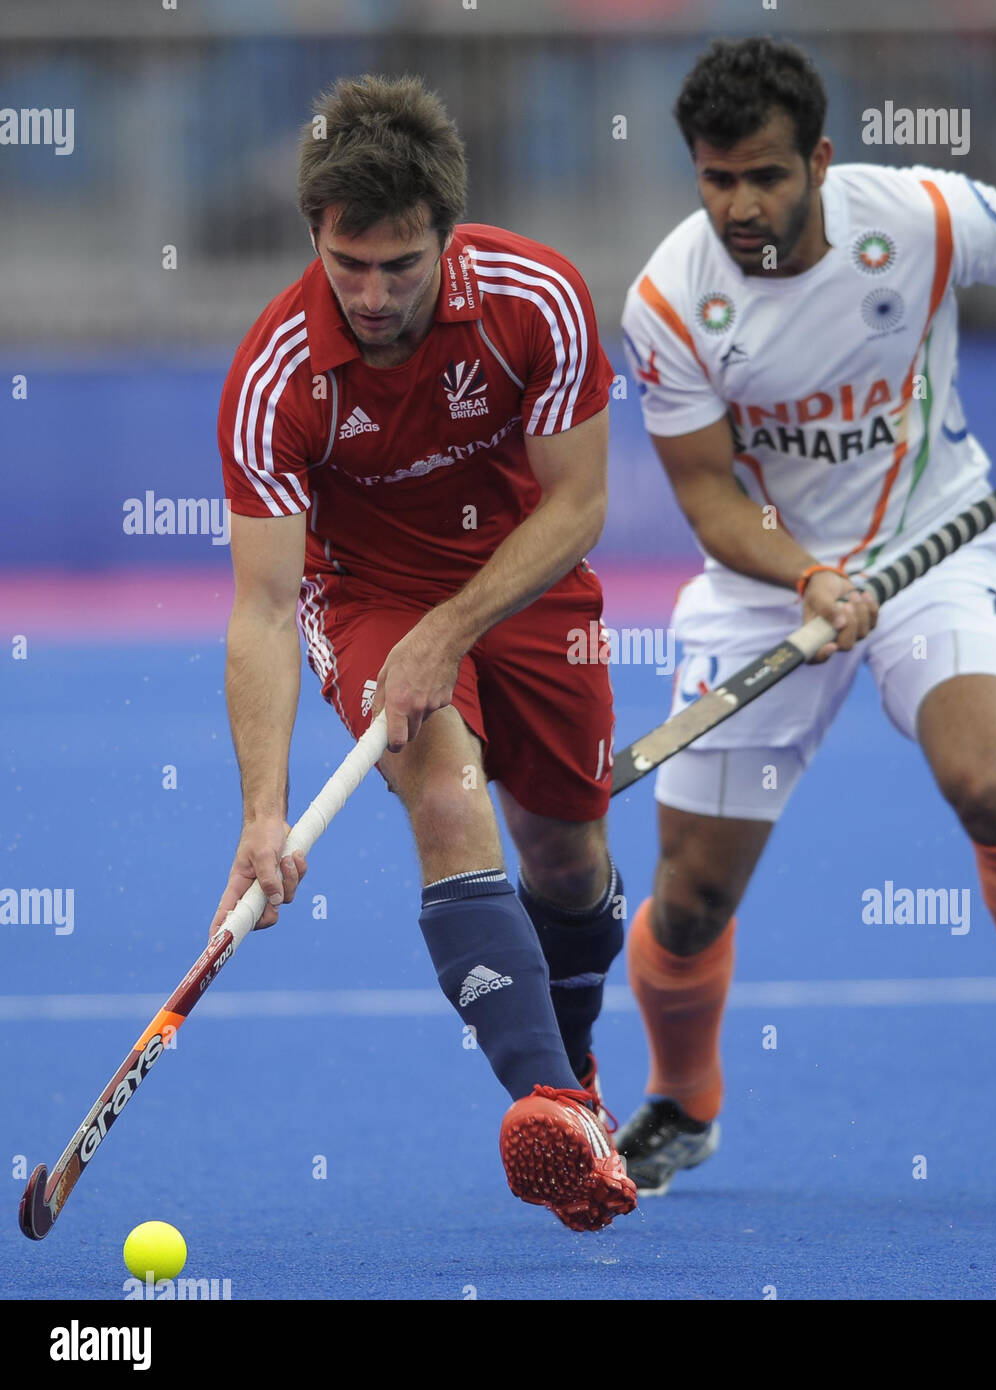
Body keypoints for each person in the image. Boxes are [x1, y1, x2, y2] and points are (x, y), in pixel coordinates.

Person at [616, 36, 996, 1195]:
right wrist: (809, 579)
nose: (741, 204)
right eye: (716, 180)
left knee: (989, 780)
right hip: (769, 585)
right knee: (691, 896)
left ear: (818, 159)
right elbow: (709, 491)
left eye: (764, 175)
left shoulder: (918, 215)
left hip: (939, 546)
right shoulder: (670, 299)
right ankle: (682, 1101)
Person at [211, 73, 635, 1231]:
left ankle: (577, 1068)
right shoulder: (273, 382)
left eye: (403, 266)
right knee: (447, 795)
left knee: (566, 865)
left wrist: (453, 630)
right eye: (350, 265)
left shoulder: (536, 296)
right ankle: (548, 1101)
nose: (375, 293)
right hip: (365, 597)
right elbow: (260, 609)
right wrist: (263, 813)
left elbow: (580, 504)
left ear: (448, 236)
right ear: (316, 235)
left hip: (527, 575)